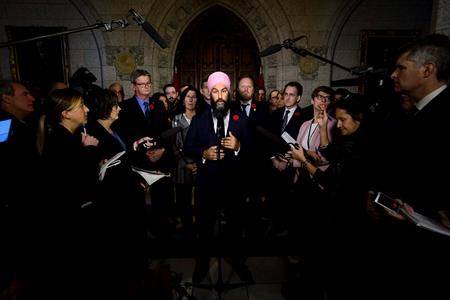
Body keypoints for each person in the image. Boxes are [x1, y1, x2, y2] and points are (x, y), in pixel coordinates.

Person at [367, 34, 450, 299]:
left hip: (429, 243)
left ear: (427, 69)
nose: (393, 75)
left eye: (401, 67)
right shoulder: (416, 112)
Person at [184, 71, 253, 284]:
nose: (220, 95)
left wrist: (239, 146)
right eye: (215, 91)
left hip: (234, 185)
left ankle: (238, 263)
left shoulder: (240, 119)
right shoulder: (200, 119)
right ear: (209, 94)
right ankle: (202, 264)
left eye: (224, 90)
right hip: (207, 185)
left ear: (229, 93)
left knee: (235, 227)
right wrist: (203, 154)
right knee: (204, 227)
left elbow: (254, 151)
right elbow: (188, 146)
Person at [171, 86, 200, 238]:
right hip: (182, 166)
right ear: (183, 100)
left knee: (201, 200)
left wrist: (198, 163)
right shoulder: (177, 119)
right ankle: (187, 229)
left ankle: (200, 228)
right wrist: (186, 163)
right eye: (187, 96)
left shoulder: (202, 117)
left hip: (199, 165)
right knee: (184, 200)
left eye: (193, 96)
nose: (190, 99)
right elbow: (175, 145)